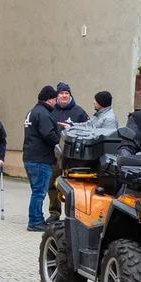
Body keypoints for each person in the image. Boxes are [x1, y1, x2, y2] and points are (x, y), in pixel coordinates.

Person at [49, 83, 89, 220]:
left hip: (73, 158)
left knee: (74, 188)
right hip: (55, 156)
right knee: (53, 185)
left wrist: (72, 128)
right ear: (57, 96)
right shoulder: (51, 111)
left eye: (67, 93)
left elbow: (87, 131)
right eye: (61, 93)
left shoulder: (79, 112)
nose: (64, 95)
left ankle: (74, 215)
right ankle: (54, 213)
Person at [23, 85, 60, 232]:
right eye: (55, 99)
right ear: (50, 99)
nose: (56, 102)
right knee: (39, 191)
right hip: (40, 158)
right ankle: (34, 221)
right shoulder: (43, 113)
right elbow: (49, 134)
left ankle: (37, 218)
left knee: (36, 191)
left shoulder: (32, 112)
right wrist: (59, 143)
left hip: (30, 157)